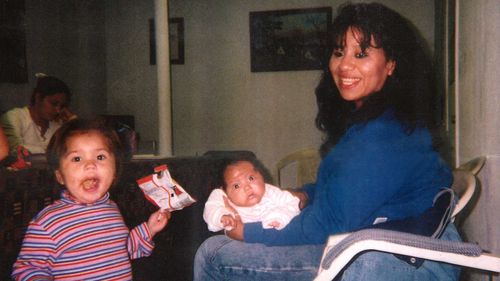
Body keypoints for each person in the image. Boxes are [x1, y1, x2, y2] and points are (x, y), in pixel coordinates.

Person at [193, 3, 461, 281]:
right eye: (338, 52)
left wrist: (248, 233)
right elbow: (343, 190)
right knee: (220, 246)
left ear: (391, 64)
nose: (345, 65)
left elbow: (329, 223)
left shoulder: (384, 134)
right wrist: (306, 194)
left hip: (398, 258)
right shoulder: (375, 121)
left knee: (214, 254)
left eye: (361, 54)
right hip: (380, 241)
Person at [12, 118, 170, 280]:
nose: (90, 165)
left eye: (100, 157)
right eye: (77, 158)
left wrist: (149, 230)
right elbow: (27, 269)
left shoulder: (111, 209)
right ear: (60, 175)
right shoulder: (47, 222)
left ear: (115, 170)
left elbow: (121, 250)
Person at [203, 157, 300, 232]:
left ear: (262, 176)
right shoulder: (222, 196)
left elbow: (293, 202)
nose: (247, 187)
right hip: (238, 243)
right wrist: (221, 217)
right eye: (236, 186)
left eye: (251, 178)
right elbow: (210, 209)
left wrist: (279, 217)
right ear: (224, 191)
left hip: (273, 237)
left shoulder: (271, 192)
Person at [0, 74, 75, 156]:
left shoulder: (57, 125)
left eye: (62, 106)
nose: (58, 110)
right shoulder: (14, 117)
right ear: (38, 98)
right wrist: (51, 152)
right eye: (54, 104)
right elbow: (15, 149)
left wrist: (72, 119)